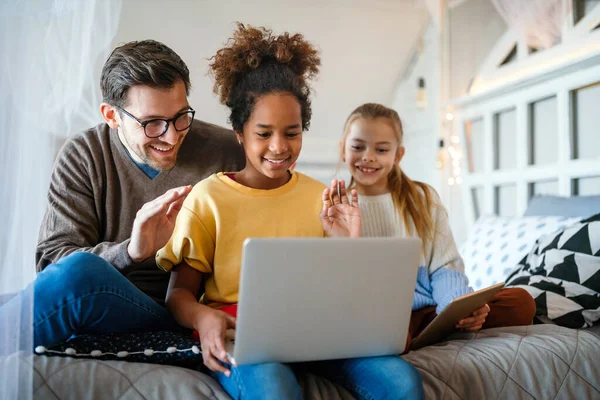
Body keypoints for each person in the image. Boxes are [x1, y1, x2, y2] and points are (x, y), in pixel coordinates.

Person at [156, 24, 424, 400]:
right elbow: (178, 295)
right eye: (263, 133)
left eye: (292, 132)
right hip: (242, 334)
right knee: (274, 390)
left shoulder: (324, 198)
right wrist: (204, 318)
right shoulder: (209, 199)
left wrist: (347, 244)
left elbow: (343, 296)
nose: (279, 147)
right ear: (239, 131)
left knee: (403, 383)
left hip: (319, 332)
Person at [1, 39, 245, 348]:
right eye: (151, 123)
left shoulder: (228, 152)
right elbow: (54, 268)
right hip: (113, 306)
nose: (171, 136)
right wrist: (131, 251)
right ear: (111, 116)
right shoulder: (83, 155)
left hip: (185, 314)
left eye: (181, 116)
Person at [338, 103, 536, 345]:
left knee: (520, 301)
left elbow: (445, 266)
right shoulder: (335, 206)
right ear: (343, 150)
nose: (368, 156)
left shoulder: (423, 198)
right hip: (378, 314)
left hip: (431, 310)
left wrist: (457, 306)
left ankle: (450, 326)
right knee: (388, 334)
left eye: (381, 149)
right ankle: (418, 337)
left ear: (398, 155)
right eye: (358, 147)